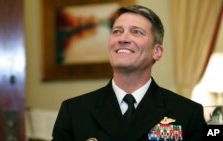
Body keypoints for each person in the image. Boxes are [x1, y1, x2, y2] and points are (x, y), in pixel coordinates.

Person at [51, 5, 206, 141]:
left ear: (157, 51)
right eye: (117, 31)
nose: (123, 38)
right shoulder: (74, 112)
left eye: (136, 32)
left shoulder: (188, 114)